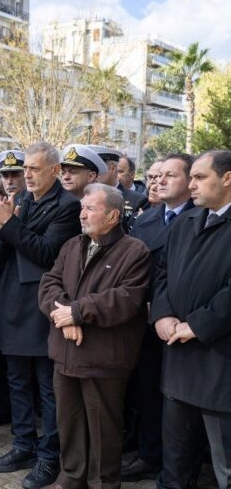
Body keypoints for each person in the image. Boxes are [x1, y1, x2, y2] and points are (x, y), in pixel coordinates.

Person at [38, 183, 150, 489]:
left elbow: (125, 299)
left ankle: (104, 483)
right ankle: (71, 478)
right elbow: (49, 284)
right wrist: (63, 317)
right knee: (69, 422)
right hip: (65, 352)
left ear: (113, 215)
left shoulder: (134, 251)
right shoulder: (72, 245)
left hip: (104, 358)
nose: (82, 214)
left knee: (104, 427)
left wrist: (76, 312)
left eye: (91, 208)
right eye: (82, 208)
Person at [0, 142, 81, 488]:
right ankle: (23, 444)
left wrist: (9, 222)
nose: (25, 175)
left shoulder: (68, 207)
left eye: (33, 169)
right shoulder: (23, 201)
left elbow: (46, 253)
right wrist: (3, 225)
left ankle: (49, 455)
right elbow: (0, 251)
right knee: (16, 382)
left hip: (40, 308)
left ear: (54, 171)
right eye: (24, 169)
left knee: (47, 387)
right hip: (11, 301)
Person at [151, 151, 231, 489]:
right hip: (179, 359)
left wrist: (198, 324)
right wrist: (163, 313)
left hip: (220, 363)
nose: (191, 184)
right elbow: (163, 272)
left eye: (200, 177)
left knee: (224, 462)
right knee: (176, 457)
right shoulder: (186, 221)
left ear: (227, 178)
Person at [124, 153, 194, 481]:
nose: (159, 181)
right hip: (146, 320)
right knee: (149, 390)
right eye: (157, 175)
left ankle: (183, 466)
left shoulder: (202, 218)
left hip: (185, 324)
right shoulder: (147, 219)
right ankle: (149, 455)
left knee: (182, 402)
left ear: (190, 181)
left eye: (170, 175)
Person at [0, 149, 27, 431]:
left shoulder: (29, 205)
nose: (10, 180)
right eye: (6, 175)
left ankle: (19, 412)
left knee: (18, 362)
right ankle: (2, 406)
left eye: (16, 174)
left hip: (19, 289)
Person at [89, 146, 147, 232]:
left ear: (112, 168)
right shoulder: (85, 197)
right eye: (89, 169)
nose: (92, 173)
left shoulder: (138, 200)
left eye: (98, 168)